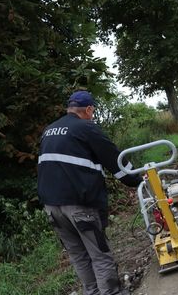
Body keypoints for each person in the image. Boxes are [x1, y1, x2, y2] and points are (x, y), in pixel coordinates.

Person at [37, 90, 142, 295]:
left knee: (78, 256)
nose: (92, 116)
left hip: (51, 207)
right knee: (99, 253)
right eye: (92, 112)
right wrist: (137, 180)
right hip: (79, 205)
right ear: (88, 109)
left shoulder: (48, 130)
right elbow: (115, 160)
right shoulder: (86, 128)